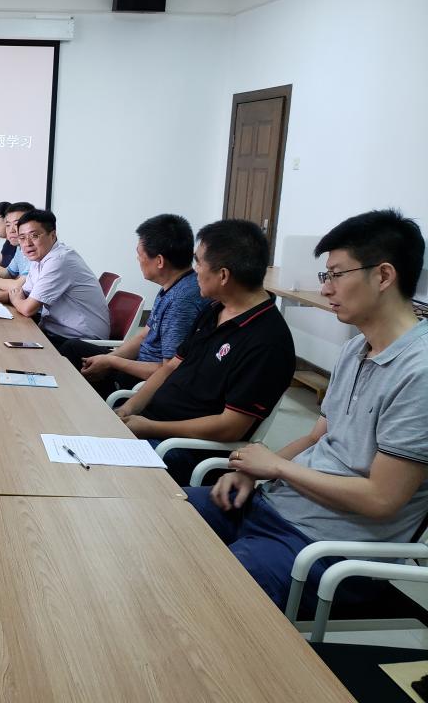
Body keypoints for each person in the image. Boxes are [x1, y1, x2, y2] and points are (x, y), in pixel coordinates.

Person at [186, 209, 428, 612]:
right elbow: (317, 437)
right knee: (165, 514)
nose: (326, 288)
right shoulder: (355, 348)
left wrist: (277, 468)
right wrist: (252, 472)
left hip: (325, 549)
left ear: (384, 276)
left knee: (204, 595)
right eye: (325, 275)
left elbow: (381, 499)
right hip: (276, 509)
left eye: (336, 274)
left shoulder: (419, 372)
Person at [115, 219, 295, 484]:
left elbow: (229, 427)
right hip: (153, 425)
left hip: (184, 449)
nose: (194, 270)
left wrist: (150, 427)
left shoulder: (267, 341)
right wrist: (129, 409)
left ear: (223, 275)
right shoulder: (214, 310)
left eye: (198, 262)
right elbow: (171, 366)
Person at [59, 214, 209, 397]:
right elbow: (144, 335)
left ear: (159, 261)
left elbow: (168, 370)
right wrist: (107, 359)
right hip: (137, 363)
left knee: (70, 363)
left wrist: (111, 363)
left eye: (139, 254)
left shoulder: (181, 301)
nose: (137, 259)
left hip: (141, 382)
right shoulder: (173, 285)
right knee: (72, 348)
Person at [0, 209, 110, 348]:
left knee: (6, 343)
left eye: (34, 236)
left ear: (52, 235)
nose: (27, 243)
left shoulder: (59, 260)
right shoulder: (40, 257)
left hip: (79, 342)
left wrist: (15, 300)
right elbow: (24, 293)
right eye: (22, 238)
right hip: (56, 332)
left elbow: (27, 308)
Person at [0, 201, 36, 292]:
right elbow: (8, 273)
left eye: (16, 224)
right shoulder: (20, 248)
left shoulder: (36, 250)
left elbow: (18, 286)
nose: (11, 230)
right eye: (8, 225)